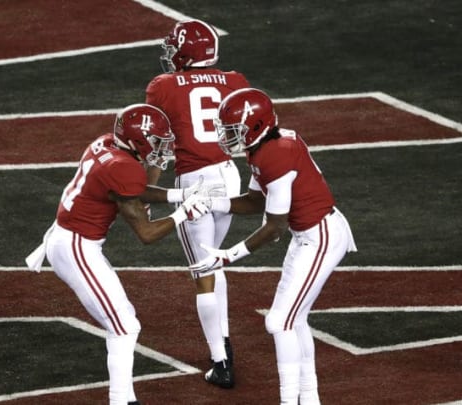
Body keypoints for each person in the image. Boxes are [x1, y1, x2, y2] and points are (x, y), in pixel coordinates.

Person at [25, 103, 216, 405]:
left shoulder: (106, 143)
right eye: (156, 141)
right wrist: (183, 213)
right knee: (125, 327)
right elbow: (146, 234)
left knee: (125, 321)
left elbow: (133, 190)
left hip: (70, 239)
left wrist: (179, 195)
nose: (161, 147)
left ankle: (127, 400)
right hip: (76, 248)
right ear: (139, 139)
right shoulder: (121, 167)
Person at [190, 88, 357, 404]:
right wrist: (212, 202)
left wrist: (230, 254)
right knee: (294, 320)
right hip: (308, 234)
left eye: (232, 129)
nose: (226, 136)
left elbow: (275, 225)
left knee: (279, 321)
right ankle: (308, 399)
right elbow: (255, 200)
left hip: (319, 235)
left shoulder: (275, 152)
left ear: (254, 126)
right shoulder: (265, 146)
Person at [144, 18, 251, 389]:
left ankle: (220, 362)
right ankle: (223, 343)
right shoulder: (236, 80)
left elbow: (157, 147)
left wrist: (146, 192)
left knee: (202, 271)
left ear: (185, 51)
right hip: (229, 176)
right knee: (215, 259)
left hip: (196, 181)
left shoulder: (163, 86)